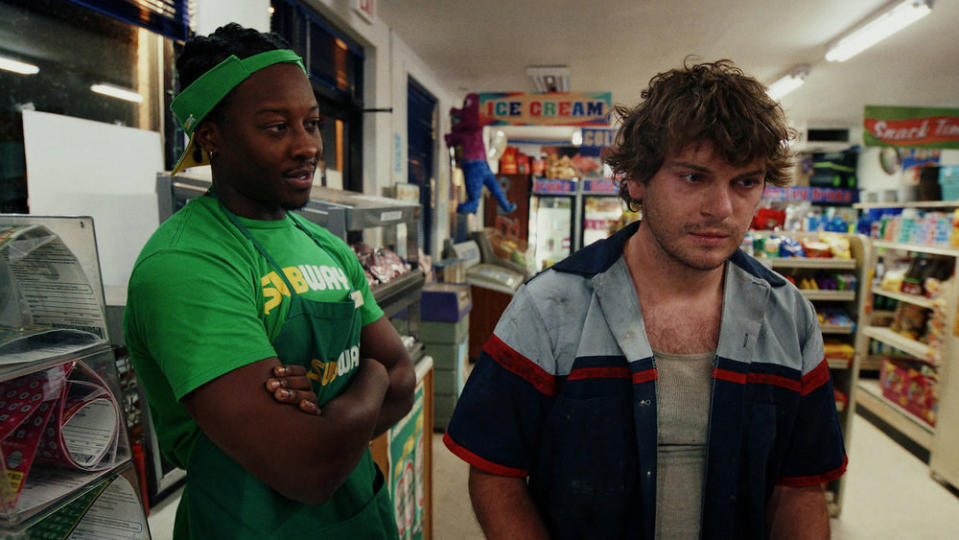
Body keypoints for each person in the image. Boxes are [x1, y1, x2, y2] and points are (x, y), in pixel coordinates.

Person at [443, 59, 846, 539]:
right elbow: (496, 472)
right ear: (636, 177)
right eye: (694, 177)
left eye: (745, 182)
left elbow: (799, 487)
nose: (722, 209)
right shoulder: (548, 308)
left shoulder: (790, 318)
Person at [124, 23, 414, 539]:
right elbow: (308, 467)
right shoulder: (187, 263)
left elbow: (404, 380)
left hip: (360, 520)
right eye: (277, 127)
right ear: (212, 137)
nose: (307, 147)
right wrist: (370, 375)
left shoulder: (322, 243)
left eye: (312, 123)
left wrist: (342, 402)